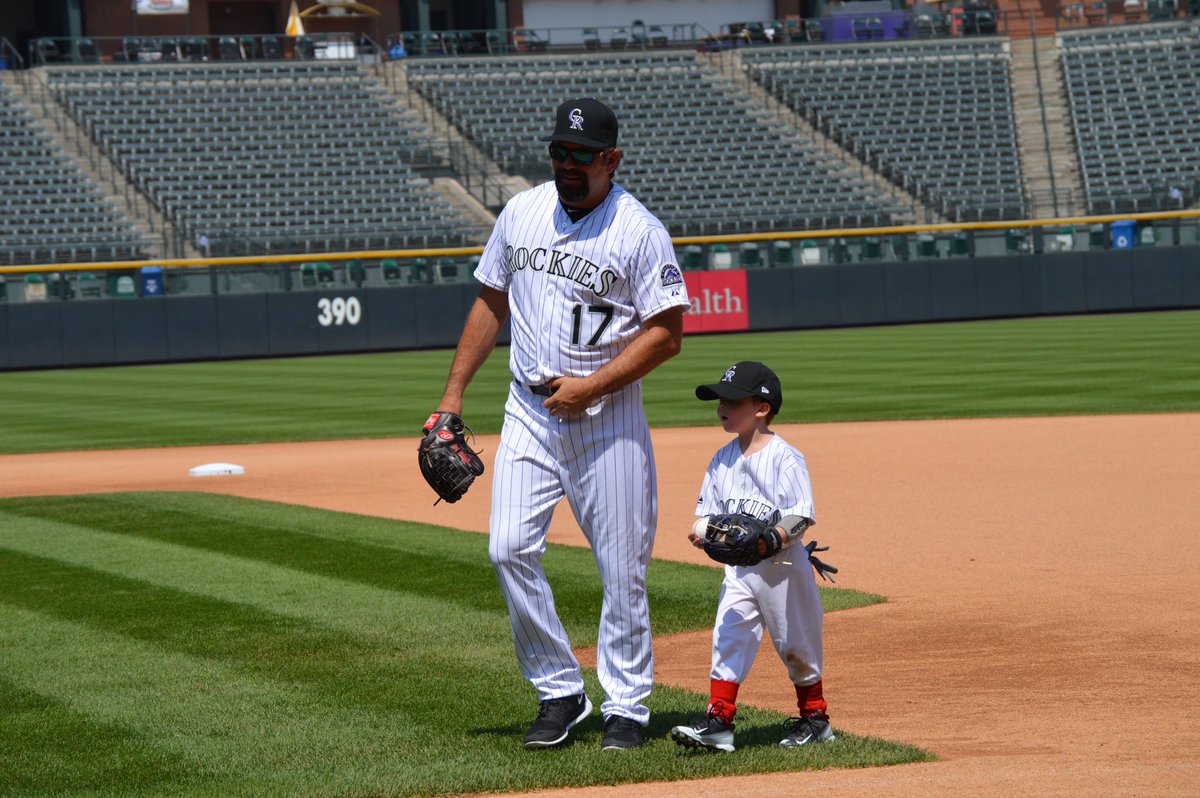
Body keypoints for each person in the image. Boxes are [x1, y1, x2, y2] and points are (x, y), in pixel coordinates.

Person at [432, 97, 688, 751]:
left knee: (622, 568)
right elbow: (491, 300)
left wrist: (594, 387)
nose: (566, 166)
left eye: (580, 156)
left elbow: (666, 334)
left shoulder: (638, 230)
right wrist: (452, 398)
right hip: (528, 411)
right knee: (506, 548)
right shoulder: (521, 213)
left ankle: (627, 706)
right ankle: (560, 691)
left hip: (608, 418)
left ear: (611, 160)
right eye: (558, 153)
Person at [670, 361, 834, 752]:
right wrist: (708, 535)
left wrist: (770, 540)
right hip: (740, 570)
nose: (721, 407)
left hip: (782, 568)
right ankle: (719, 721)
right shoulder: (720, 459)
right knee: (729, 636)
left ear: (762, 408)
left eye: (731, 400)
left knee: (795, 643)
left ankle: (816, 719)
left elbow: (802, 514)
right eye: (719, 401)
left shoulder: (785, 457)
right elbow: (705, 515)